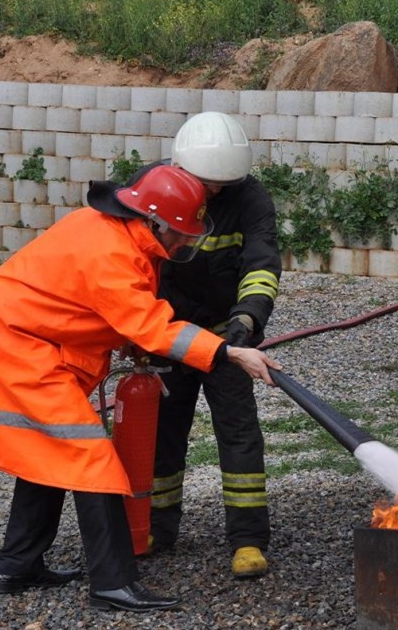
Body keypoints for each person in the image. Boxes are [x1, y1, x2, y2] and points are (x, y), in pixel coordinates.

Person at [0, 164, 282, 614]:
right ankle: (113, 584)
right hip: (22, 349)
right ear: (154, 220)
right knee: (91, 460)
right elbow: (151, 324)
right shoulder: (111, 254)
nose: (183, 243)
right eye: (179, 233)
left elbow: (103, 306)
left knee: (47, 452)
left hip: (28, 340)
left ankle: (17, 566)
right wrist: (233, 354)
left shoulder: (117, 235)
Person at [138, 111, 282, 579]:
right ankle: (157, 528)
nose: (215, 191)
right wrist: (141, 330)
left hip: (226, 336)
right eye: (206, 182)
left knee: (239, 435)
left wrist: (248, 318)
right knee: (163, 433)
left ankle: (248, 540)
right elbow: (135, 264)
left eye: (224, 183)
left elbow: (261, 262)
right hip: (169, 336)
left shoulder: (251, 198)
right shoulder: (155, 189)